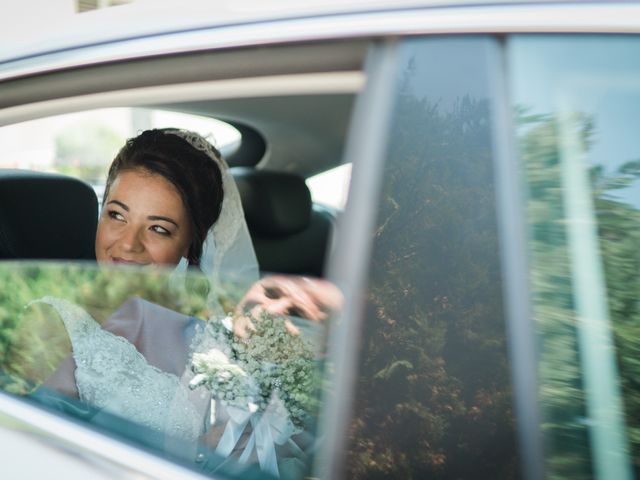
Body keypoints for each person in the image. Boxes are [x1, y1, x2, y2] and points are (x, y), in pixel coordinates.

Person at [9, 128, 341, 477]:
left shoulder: (221, 330)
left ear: (189, 244)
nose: (128, 245)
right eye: (117, 215)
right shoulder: (55, 322)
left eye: (159, 229)